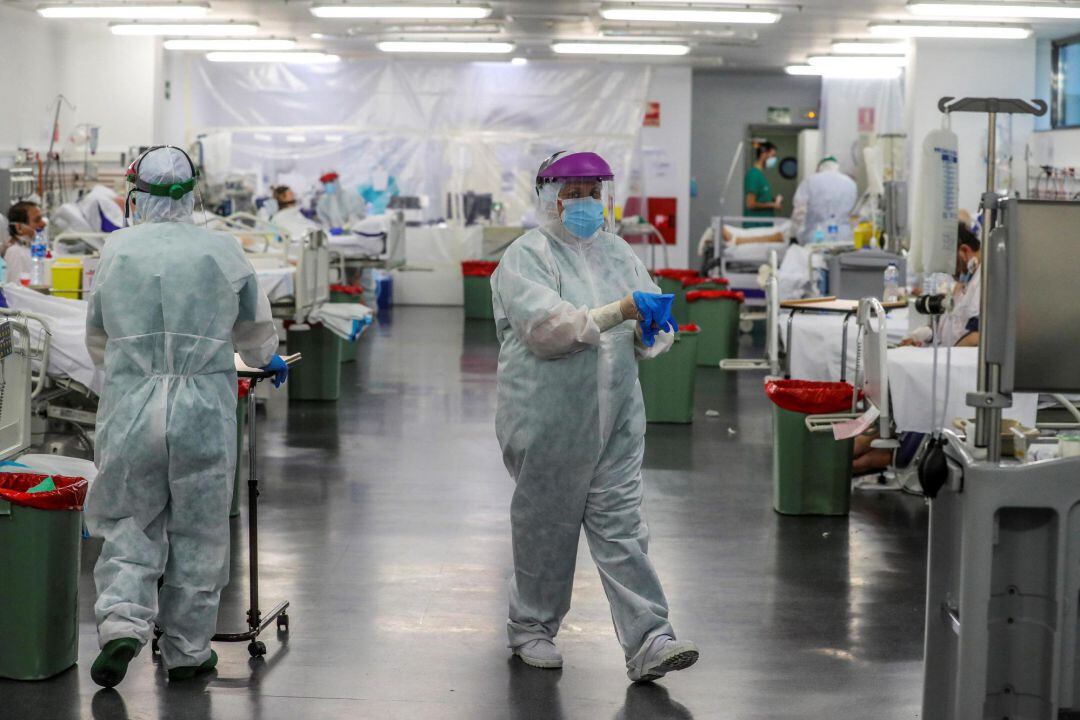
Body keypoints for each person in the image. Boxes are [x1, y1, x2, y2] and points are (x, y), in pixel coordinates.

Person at [84, 146, 289, 687]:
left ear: (137, 193)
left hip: (131, 405)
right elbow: (257, 335)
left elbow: (98, 339)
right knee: (199, 529)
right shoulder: (221, 252)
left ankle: (123, 625)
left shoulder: (117, 251)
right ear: (193, 192)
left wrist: (136, 373)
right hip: (202, 405)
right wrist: (267, 360)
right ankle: (187, 650)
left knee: (129, 518)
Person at [492, 150, 698, 683]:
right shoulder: (526, 256)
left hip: (619, 419)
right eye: (572, 193)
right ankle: (531, 627)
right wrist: (621, 312)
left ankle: (650, 639)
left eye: (592, 193)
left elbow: (652, 315)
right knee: (546, 527)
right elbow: (549, 332)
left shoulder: (619, 253)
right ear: (548, 196)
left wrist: (654, 331)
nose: (584, 203)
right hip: (548, 420)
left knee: (624, 529)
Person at [791, 156, 858, 244]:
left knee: (814, 257)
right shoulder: (851, 183)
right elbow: (855, 213)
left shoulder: (810, 181)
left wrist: (796, 235)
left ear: (819, 167)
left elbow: (799, 213)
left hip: (816, 235)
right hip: (844, 236)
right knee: (842, 257)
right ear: (837, 166)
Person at [6, 200, 46, 282]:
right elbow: (16, 290)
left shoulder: (32, 248)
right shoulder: (15, 252)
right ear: (19, 228)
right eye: (37, 220)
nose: (43, 223)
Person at [744, 141, 783, 227]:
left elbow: (761, 199)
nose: (774, 160)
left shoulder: (761, 175)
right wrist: (772, 205)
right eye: (772, 156)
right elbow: (750, 204)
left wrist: (773, 200)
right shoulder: (753, 175)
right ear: (763, 154)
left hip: (764, 226)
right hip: (755, 227)